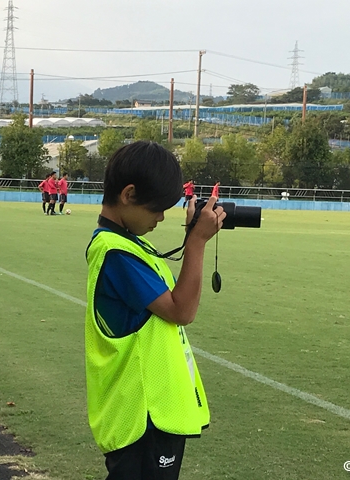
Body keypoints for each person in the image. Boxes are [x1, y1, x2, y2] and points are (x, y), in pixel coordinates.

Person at [85, 141, 225, 479]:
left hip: (151, 411)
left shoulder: (127, 244)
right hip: (143, 414)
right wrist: (197, 243)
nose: (161, 218)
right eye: (156, 209)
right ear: (129, 194)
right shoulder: (116, 252)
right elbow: (181, 311)